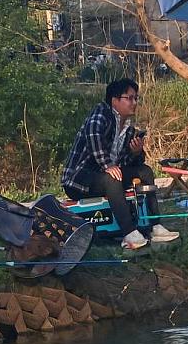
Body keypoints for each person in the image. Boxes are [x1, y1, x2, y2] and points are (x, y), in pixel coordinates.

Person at [62, 78, 180, 250]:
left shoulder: (129, 129)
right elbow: (94, 138)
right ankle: (129, 233)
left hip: (105, 177)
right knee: (112, 177)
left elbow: (125, 162)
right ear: (115, 100)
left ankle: (155, 226)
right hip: (78, 179)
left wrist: (136, 153)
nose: (134, 102)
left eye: (136, 98)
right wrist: (107, 165)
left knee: (145, 172)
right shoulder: (101, 113)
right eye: (129, 98)